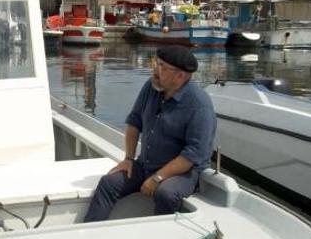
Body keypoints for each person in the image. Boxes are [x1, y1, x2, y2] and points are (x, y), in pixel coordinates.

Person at [83, 46, 216, 222]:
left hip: (183, 174)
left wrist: (158, 177)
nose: (155, 69)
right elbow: (134, 121)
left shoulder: (200, 105)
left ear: (180, 76)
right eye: (156, 63)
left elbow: (193, 154)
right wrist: (128, 159)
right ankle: (90, 232)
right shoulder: (151, 86)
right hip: (145, 164)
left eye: (162, 66)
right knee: (109, 183)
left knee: (166, 194)